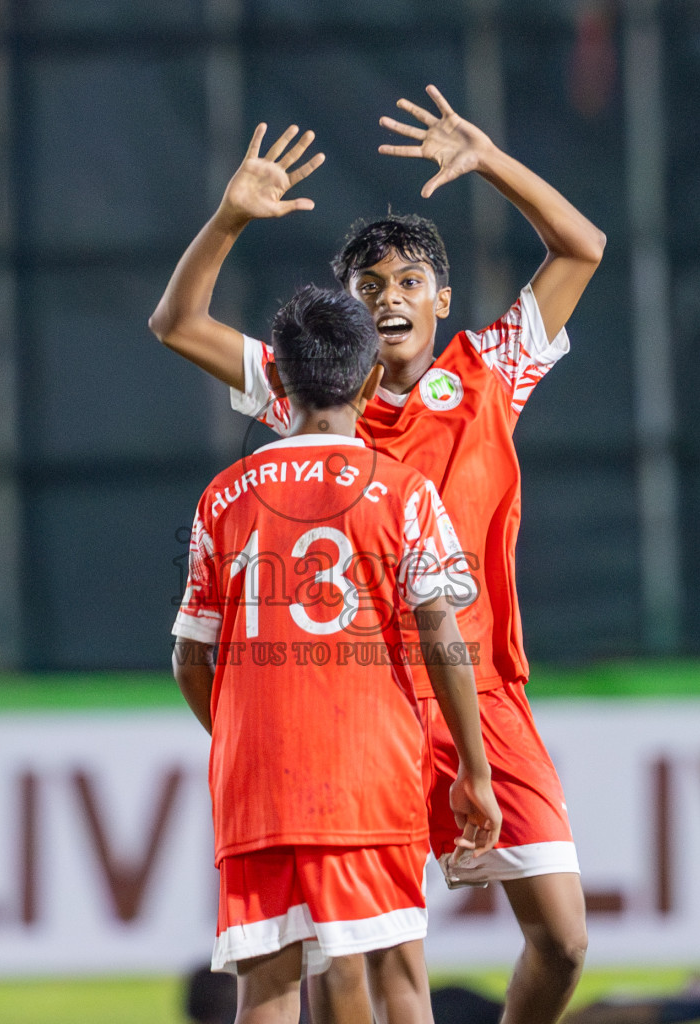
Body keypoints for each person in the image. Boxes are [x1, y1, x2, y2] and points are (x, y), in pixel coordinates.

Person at [150, 85, 606, 1024]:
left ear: (442, 298)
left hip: (478, 691)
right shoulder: (306, 394)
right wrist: (230, 218)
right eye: (371, 286)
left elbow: (582, 247)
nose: (391, 297)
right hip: (369, 701)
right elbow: (179, 322)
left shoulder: (488, 375)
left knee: (562, 940)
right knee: (364, 964)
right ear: (348, 314)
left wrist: (489, 162)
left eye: (409, 283)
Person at [171, 285, 503, 1024]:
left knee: (265, 989)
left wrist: (238, 739)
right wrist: (473, 772)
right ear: (367, 380)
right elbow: (442, 636)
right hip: (368, 776)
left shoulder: (222, 498)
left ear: (278, 382)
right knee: (383, 976)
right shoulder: (405, 492)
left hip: (254, 785)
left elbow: (190, 659)